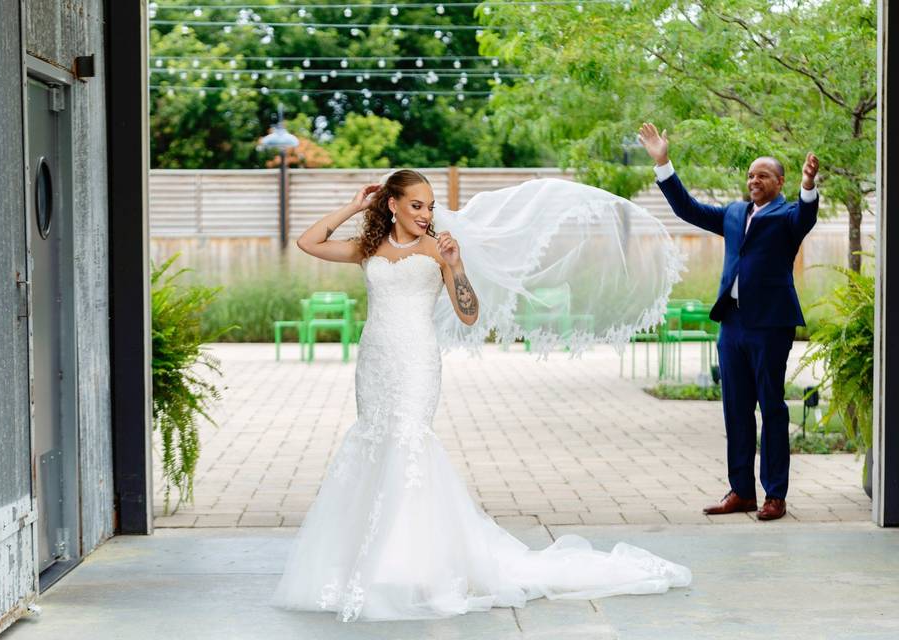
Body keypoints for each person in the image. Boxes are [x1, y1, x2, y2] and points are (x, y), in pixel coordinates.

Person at [270, 169, 691, 622]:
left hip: (416, 361)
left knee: (410, 445)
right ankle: (367, 563)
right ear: (392, 205)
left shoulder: (438, 248)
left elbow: (468, 315)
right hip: (374, 361)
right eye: (416, 205)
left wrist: (456, 266)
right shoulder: (369, 247)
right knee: (373, 441)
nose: (426, 214)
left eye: (429, 206)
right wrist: (356, 206)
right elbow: (309, 242)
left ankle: (414, 567)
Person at [637, 122, 820, 521]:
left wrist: (809, 185)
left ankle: (775, 496)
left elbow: (807, 215)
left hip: (770, 325)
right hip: (732, 324)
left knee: (771, 407)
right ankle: (741, 492)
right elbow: (688, 209)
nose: (755, 180)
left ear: (780, 181)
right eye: (751, 175)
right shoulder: (734, 214)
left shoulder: (789, 216)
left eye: (764, 175)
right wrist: (663, 163)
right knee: (735, 409)